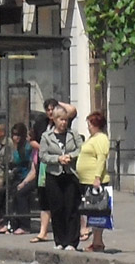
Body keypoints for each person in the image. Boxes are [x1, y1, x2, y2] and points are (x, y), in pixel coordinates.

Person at [29, 97, 77, 243]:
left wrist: (58, 103)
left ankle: (72, 238)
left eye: (52, 109)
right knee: (50, 202)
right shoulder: (42, 126)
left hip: (68, 170)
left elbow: (73, 111)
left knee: (69, 205)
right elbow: (36, 145)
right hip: (49, 168)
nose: (50, 112)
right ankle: (50, 235)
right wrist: (54, 156)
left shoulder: (70, 131)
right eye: (48, 110)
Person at [39, 105, 83, 250]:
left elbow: (80, 149)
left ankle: (72, 241)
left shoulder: (73, 134)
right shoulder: (47, 136)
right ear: (55, 120)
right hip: (54, 175)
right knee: (57, 208)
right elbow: (43, 155)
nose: (64, 123)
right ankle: (60, 240)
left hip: (70, 174)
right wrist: (58, 159)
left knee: (71, 207)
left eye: (66, 120)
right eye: (61, 120)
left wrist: (71, 156)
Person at [76, 111, 111, 252]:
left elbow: (101, 158)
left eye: (90, 124)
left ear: (96, 125)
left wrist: (97, 177)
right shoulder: (92, 138)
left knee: (97, 211)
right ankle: (96, 242)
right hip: (86, 180)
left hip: (95, 180)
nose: (88, 127)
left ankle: (98, 242)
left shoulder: (101, 138)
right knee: (91, 211)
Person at [7, 122, 35, 234]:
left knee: (20, 193)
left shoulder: (27, 147)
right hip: (17, 176)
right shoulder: (14, 147)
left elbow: (31, 166)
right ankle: (12, 223)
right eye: (13, 135)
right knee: (8, 191)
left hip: (28, 177)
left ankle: (25, 225)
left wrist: (24, 182)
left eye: (18, 135)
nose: (15, 137)